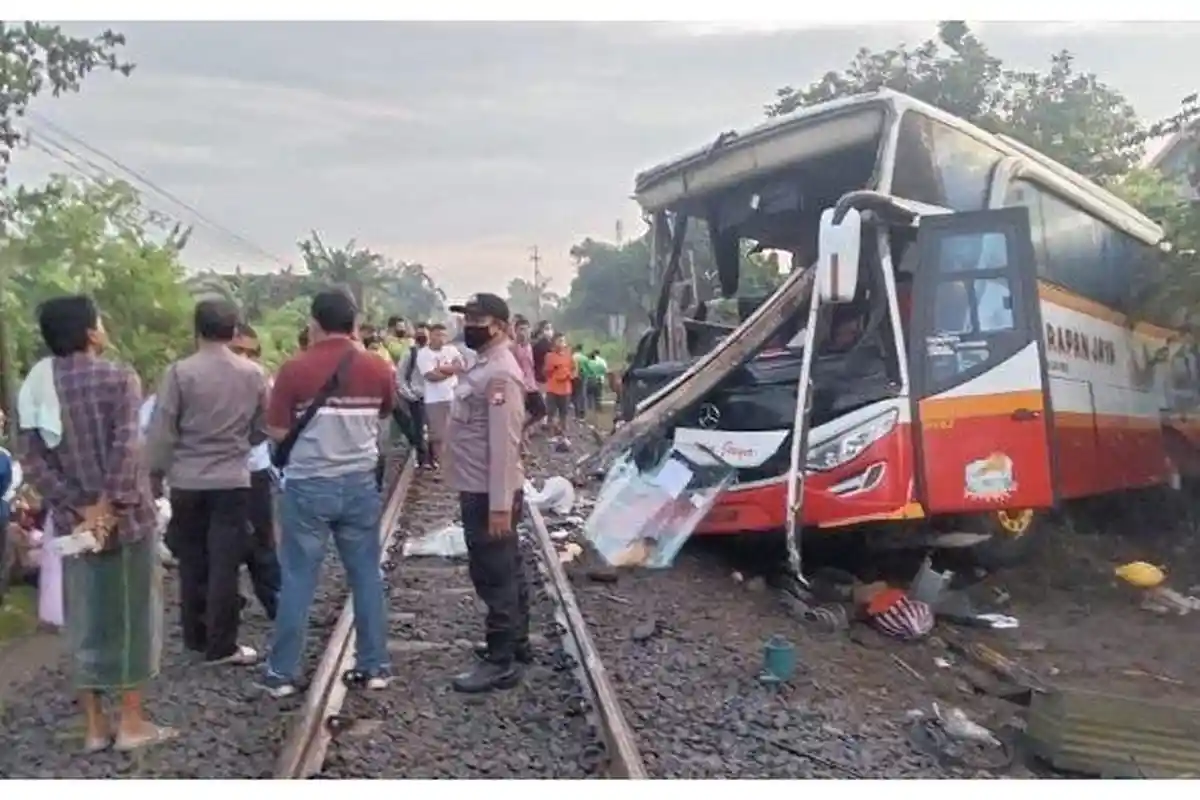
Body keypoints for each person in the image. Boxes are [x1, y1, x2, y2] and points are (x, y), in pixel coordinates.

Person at [17, 294, 173, 752]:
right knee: (132, 617)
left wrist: (78, 506)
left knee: (84, 620)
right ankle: (131, 723)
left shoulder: (34, 388)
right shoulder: (119, 377)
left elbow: (33, 459)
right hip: (128, 521)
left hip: (71, 524)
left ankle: (92, 727)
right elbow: (128, 447)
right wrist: (109, 506)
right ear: (90, 332)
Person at [259, 289, 395, 698]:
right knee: (366, 575)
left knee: (299, 578)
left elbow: (278, 431)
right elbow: (385, 412)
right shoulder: (377, 367)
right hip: (358, 483)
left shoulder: (293, 370)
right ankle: (375, 667)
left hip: (307, 486)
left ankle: (281, 674)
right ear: (355, 325)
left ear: (313, 323)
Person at [146, 300, 269, 667]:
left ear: (196, 330)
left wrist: (155, 474)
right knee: (225, 563)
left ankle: (195, 637)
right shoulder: (253, 374)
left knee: (192, 560)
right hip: (232, 479)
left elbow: (162, 430)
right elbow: (263, 426)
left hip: (186, 481)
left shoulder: (180, 373)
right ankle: (222, 645)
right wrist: (238, 445)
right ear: (234, 332)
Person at [444, 294, 530, 693]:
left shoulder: (499, 374)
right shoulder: (483, 365)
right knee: (504, 568)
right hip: (479, 486)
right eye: (467, 318)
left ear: (497, 325)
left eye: (476, 319)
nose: (468, 325)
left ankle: (501, 661)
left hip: (488, 492)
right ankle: (516, 642)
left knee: (493, 574)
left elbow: (505, 444)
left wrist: (499, 505)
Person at [230, 323, 282, 620]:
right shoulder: (198, 379)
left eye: (251, 352)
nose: (245, 358)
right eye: (238, 351)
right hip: (216, 476)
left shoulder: (263, 381)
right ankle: (227, 605)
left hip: (253, 470)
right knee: (220, 546)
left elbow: (270, 426)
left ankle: (275, 602)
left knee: (263, 542)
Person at [415, 322, 463, 471]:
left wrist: (442, 369)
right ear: (431, 336)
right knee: (437, 435)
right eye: (437, 335)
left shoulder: (452, 350)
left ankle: (453, 463)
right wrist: (451, 371)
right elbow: (431, 376)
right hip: (435, 399)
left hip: (453, 396)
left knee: (455, 432)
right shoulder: (424, 354)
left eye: (443, 335)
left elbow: (460, 366)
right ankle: (441, 464)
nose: (441, 338)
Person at [398, 322, 432, 467]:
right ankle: (423, 459)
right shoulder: (410, 354)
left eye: (424, 334)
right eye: (419, 334)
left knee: (435, 430)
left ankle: (433, 458)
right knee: (419, 430)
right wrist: (409, 394)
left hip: (436, 398)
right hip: (417, 397)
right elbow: (400, 376)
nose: (422, 336)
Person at [510, 316, 545, 432]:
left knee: (540, 411)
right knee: (527, 412)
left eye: (526, 329)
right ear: (516, 331)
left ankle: (522, 430)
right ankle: (520, 435)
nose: (523, 332)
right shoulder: (513, 347)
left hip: (531, 385)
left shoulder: (530, 346)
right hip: (520, 386)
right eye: (521, 329)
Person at [543, 334, 575, 438]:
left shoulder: (569, 356)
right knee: (551, 413)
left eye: (563, 341)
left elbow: (574, 369)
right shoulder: (549, 356)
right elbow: (545, 372)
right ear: (554, 343)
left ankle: (563, 435)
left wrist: (570, 376)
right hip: (552, 389)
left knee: (564, 413)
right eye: (559, 341)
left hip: (566, 389)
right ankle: (551, 435)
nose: (561, 343)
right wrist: (553, 369)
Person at [531, 320, 554, 398]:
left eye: (551, 328)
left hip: (538, 377)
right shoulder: (545, 345)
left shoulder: (535, 344)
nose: (550, 331)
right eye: (547, 329)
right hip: (543, 378)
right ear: (541, 331)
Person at [584, 349, 608, 414]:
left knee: (589, 396)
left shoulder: (587, 362)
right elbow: (604, 371)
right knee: (598, 396)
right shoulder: (601, 362)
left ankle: (590, 410)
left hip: (589, 380)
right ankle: (598, 409)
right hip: (598, 380)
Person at [570, 344, 588, 420]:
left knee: (575, 396)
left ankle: (577, 414)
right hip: (583, 377)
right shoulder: (585, 358)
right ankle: (583, 414)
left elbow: (571, 368)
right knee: (582, 395)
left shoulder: (573, 357)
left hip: (575, 377)